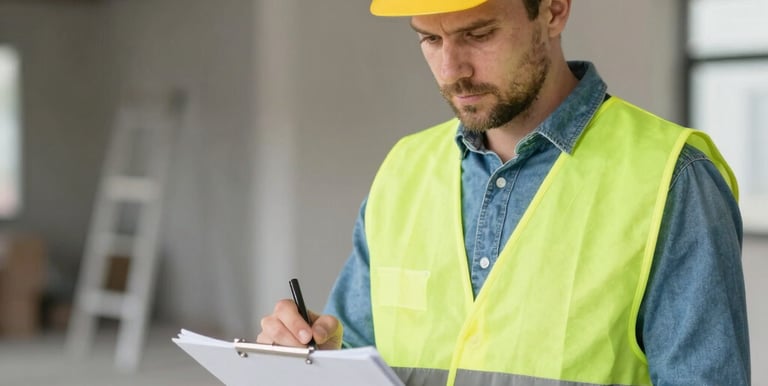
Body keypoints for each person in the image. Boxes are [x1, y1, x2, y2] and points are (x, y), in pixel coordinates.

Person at [257, 0, 751, 384]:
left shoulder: (673, 176)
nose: (452, 70)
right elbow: (362, 356)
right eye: (429, 39)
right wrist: (312, 353)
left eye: (479, 34)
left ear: (554, 10)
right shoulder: (403, 169)